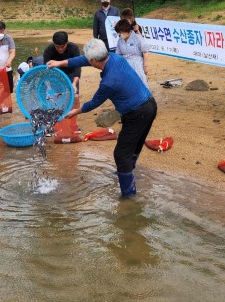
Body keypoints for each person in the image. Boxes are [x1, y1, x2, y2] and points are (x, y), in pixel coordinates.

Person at [47, 38, 157, 198]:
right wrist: (60, 63)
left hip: (137, 113)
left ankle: (129, 195)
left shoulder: (108, 82)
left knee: (121, 154)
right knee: (134, 145)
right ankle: (127, 170)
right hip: (149, 105)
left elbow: (94, 103)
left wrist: (74, 112)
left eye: (88, 59)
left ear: (94, 60)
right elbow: (83, 59)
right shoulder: (114, 57)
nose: (87, 60)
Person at [43, 31, 81, 97]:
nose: (60, 49)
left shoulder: (74, 48)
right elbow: (46, 70)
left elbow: (77, 69)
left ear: (67, 42)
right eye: (57, 46)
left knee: (75, 96)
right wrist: (48, 87)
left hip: (71, 72)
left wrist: (74, 83)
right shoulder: (48, 50)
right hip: (56, 73)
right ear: (53, 43)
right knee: (58, 96)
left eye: (63, 46)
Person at [114, 19, 149, 84]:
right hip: (125, 66)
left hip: (137, 65)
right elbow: (118, 54)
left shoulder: (137, 38)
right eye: (119, 32)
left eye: (121, 32)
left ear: (127, 30)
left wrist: (145, 66)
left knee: (139, 83)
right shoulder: (120, 40)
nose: (120, 34)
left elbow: (145, 51)